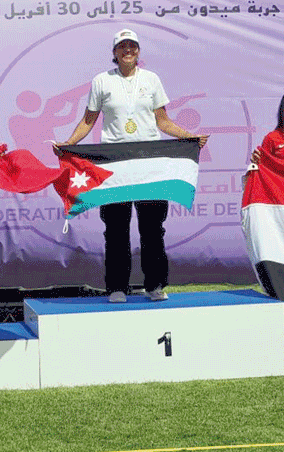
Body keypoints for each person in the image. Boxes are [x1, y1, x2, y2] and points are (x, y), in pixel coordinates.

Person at [55, 29, 209, 304]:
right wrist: (68, 143)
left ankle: (155, 284)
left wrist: (189, 137)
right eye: (122, 46)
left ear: (139, 51)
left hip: (149, 161)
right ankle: (117, 287)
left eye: (133, 46)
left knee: (152, 227)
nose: (128, 50)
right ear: (114, 52)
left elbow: (163, 121)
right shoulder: (102, 81)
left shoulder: (151, 80)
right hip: (115, 163)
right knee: (115, 228)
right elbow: (88, 121)